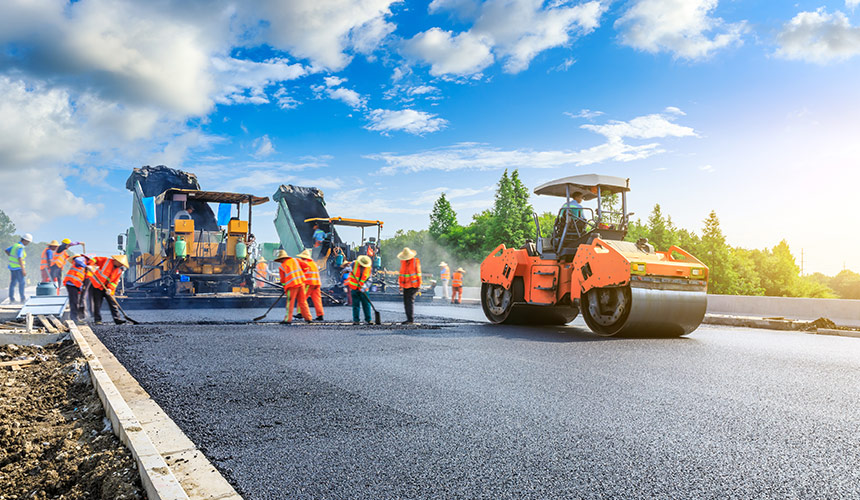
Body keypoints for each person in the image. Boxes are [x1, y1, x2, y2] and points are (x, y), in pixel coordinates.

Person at [87, 255, 129, 325]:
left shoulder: (119, 270)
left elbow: (115, 282)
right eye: (120, 263)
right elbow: (94, 259)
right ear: (116, 261)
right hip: (97, 285)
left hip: (107, 288)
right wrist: (90, 265)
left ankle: (117, 319)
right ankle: (97, 320)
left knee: (113, 303)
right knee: (97, 304)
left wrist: (110, 288)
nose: (121, 265)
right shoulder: (106, 261)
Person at [274, 250, 311, 324]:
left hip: (292, 286)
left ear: (281, 259)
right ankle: (308, 318)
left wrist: (285, 289)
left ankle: (288, 319)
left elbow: (283, 280)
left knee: (290, 303)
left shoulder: (282, 267)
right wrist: (301, 273)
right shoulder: (296, 260)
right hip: (301, 283)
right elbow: (307, 266)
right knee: (303, 302)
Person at [63, 253, 93, 323]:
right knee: (74, 302)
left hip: (75, 284)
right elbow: (77, 259)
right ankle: (74, 318)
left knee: (77, 301)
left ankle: (78, 317)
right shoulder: (82, 259)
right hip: (71, 283)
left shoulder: (85, 266)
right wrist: (85, 266)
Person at [296, 249, 324, 321]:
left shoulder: (305, 263)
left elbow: (301, 274)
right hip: (317, 284)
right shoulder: (313, 263)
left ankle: (300, 313)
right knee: (317, 299)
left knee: (302, 298)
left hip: (309, 283)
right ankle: (320, 315)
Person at [345, 255, 373, 325]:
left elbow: (370, 279)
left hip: (364, 290)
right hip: (354, 289)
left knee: (366, 305)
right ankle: (356, 320)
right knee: (355, 305)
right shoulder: (354, 264)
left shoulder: (369, 268)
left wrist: (365, 286)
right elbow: (344, 270)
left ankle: (368, 320)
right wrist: (347, 269)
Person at [397, 247, 422, 324]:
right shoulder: (403, 263)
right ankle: (409, 319)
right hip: (406, 285)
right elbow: (401, 274)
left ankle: (410, 320)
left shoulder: (415, 262)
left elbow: (418, 273)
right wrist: (401, 285)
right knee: (406, 302)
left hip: (414, 285)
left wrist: (419, 284)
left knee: (409, 302)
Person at [6, 233, 32, 303]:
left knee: (13, 283)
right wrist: (23, 269)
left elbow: (6, 250)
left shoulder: (15, 245)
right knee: (22, 283)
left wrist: (11, 257)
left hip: (12, 267)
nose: (28, 244)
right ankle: (22, 299)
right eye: (28, 242)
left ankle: (11, 299)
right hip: (18, 268)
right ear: (25, 240)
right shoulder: (20, 247)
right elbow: (20, 258)